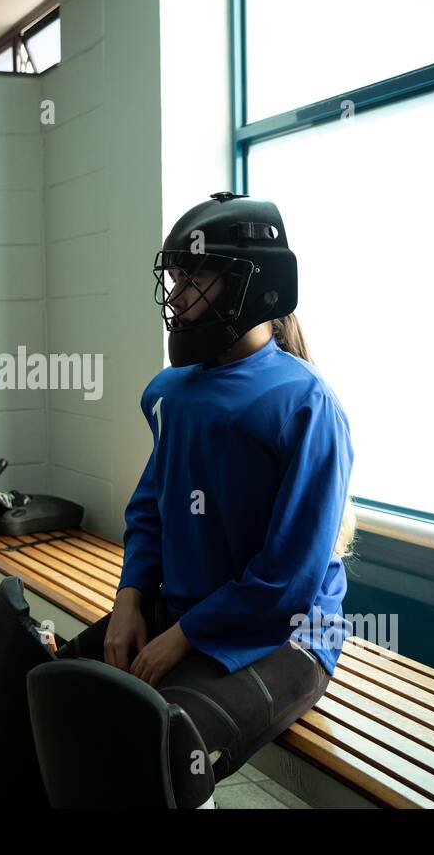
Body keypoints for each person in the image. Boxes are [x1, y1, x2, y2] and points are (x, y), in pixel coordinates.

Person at [56, 193, 356, 785]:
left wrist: (182, 640)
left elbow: (288, 578)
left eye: (197, 277)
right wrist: (130, 599)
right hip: (184, 608)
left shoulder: (308, 405)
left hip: (288, 633)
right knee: (50, 695)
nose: (179, 293)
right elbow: (151, 509)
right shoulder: (171, 392)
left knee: (158, 751)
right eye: (176, 276)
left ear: (255, 286)